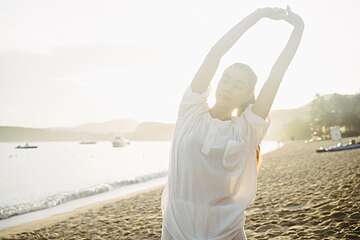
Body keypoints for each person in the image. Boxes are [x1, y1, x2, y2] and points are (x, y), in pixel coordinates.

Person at [161, 6, 304, 240]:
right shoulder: (191, 111)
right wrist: (257, 15)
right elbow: (215, 53)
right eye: (226, 79)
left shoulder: (246, 129)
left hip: (224, 232)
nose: (228, 86)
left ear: (248, 95)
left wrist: (298, 31)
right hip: (177, 228)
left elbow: (276, 76)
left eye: (238, 85)